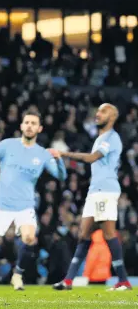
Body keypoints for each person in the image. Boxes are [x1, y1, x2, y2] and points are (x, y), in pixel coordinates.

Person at [0, 110, 67, 292]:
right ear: (22, 126)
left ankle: (17, 275)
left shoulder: (42, 154)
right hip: (3, 203)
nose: (29, 126)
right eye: (27, 122)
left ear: (39, 128)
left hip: (25, 205)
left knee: (30, 238)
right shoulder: (7, 145)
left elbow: (60, 176)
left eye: (33, 123)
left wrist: (59, 160)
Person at [53, 103, 132, 291]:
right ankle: (69, 281)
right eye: (98, 110)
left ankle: (123, 281)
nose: (98, 113)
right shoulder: (100, 138)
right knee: (83, 235)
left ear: (112, 117)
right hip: (94, 191)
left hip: (105, 190)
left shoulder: (112, 138)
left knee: (109, 234)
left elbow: (91, 158)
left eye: (103, 111)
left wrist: (64, 153)